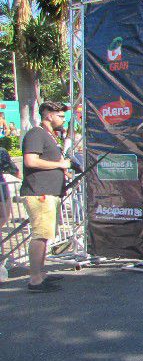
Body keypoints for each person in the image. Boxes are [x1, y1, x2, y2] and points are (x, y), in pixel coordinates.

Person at [20, 102, 72, 292]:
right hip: (39, 192)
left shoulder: (50, 136)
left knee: (46, 235)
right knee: (40, 235)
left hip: (50, 192)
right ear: (48, 115)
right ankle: (35, 279)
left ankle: (40, 273)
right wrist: (60, 165)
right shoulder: (36, 133)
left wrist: (63, 170)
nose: (62, 120)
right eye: (60, 116)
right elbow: (30, 160)